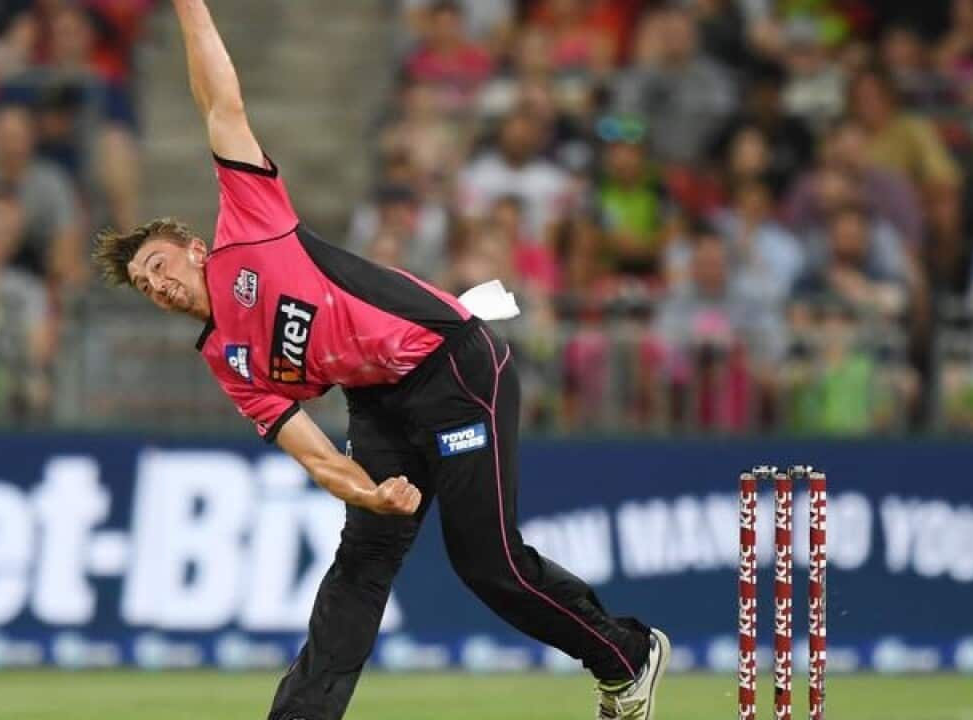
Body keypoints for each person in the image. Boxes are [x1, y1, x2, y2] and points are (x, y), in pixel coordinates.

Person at [91, 3, 668, 719]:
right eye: (146, 288)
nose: (158, 284)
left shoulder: (249, 227)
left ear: (192, 247)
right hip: (378, 403)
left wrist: (186, 5)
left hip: (453, 364)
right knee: (362, 563)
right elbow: (315, 456)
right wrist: (368, 494)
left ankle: (625, 659)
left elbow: (220, 98)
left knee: (487, 564)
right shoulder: (228, 359)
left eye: (157, 265)